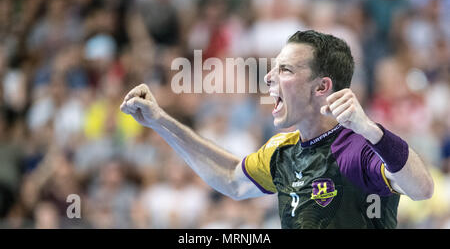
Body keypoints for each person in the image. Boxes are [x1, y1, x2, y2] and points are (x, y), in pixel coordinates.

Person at [120, 30, 434, 229]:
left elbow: (422, 189)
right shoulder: (282, 150)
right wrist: (160, 120)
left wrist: (372, 131)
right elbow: (231, 179)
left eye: (284, 69)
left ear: (321, 86)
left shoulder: (358, 148)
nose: (269, 78)